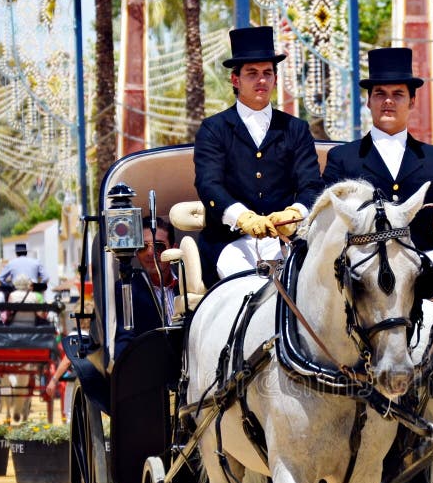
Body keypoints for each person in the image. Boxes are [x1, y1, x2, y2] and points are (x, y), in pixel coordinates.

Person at [193, 26, 325, 287]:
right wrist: (242, 217)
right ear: (235, 80)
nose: (261, 80)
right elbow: (209, 184)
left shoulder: (295, 128)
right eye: (252, 73)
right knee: (244, 286)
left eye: (267, 73)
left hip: (284, 239)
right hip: (229, 241)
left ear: (275, 79)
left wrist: (292, 216)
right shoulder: (214, 129)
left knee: (296, 287)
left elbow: (311, 185)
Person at [322, 47, 433, 255]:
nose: (388, 101)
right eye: (380, 94)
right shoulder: (343, 159)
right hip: (361, 274)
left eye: (397, 94)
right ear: (368, 101)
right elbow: (326, 219)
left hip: (424, 272)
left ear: (412, 101)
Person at [113, 217, 178, 361]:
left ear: (173, 249)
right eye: (143, 247)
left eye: (159, 246)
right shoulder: (125, 290)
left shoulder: (189, 285)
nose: (150, 253)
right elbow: (123, 341)